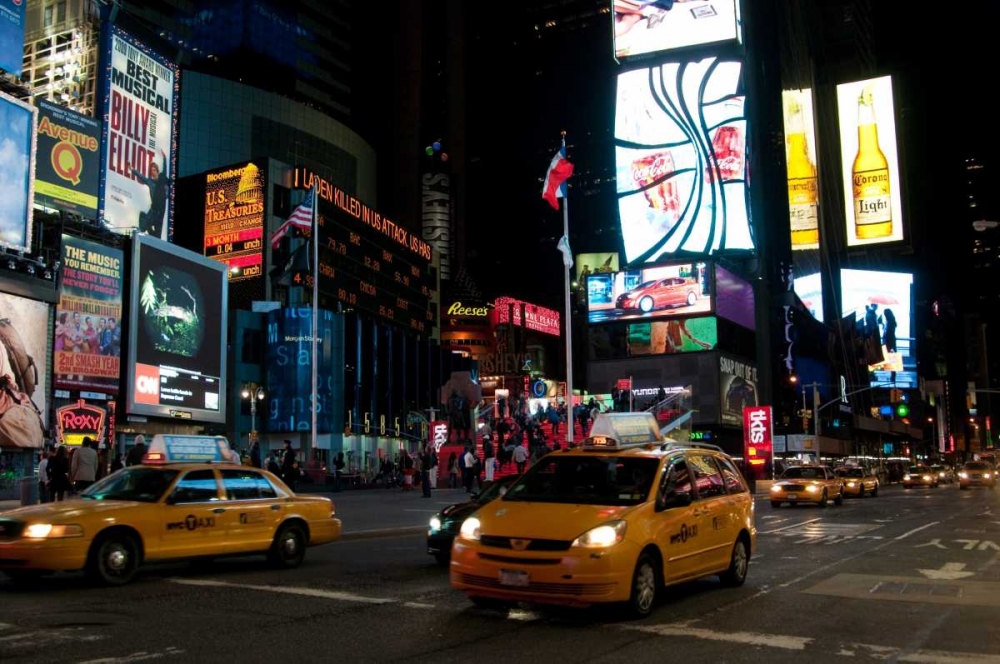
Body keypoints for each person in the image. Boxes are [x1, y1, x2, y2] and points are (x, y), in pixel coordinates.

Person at [133, 150, 168, 237]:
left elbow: (165, 169)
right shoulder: (150, 181)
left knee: (157, 237)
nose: (153, 172)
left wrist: (164, 158)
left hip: (160, 213)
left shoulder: (162, 180)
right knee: (142, 227)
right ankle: (149, 231)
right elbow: (141, 177)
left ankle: (152, 235)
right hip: (153, 211)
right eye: (151, 171)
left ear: (157, 171)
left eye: (154, 170)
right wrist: (132, 170)